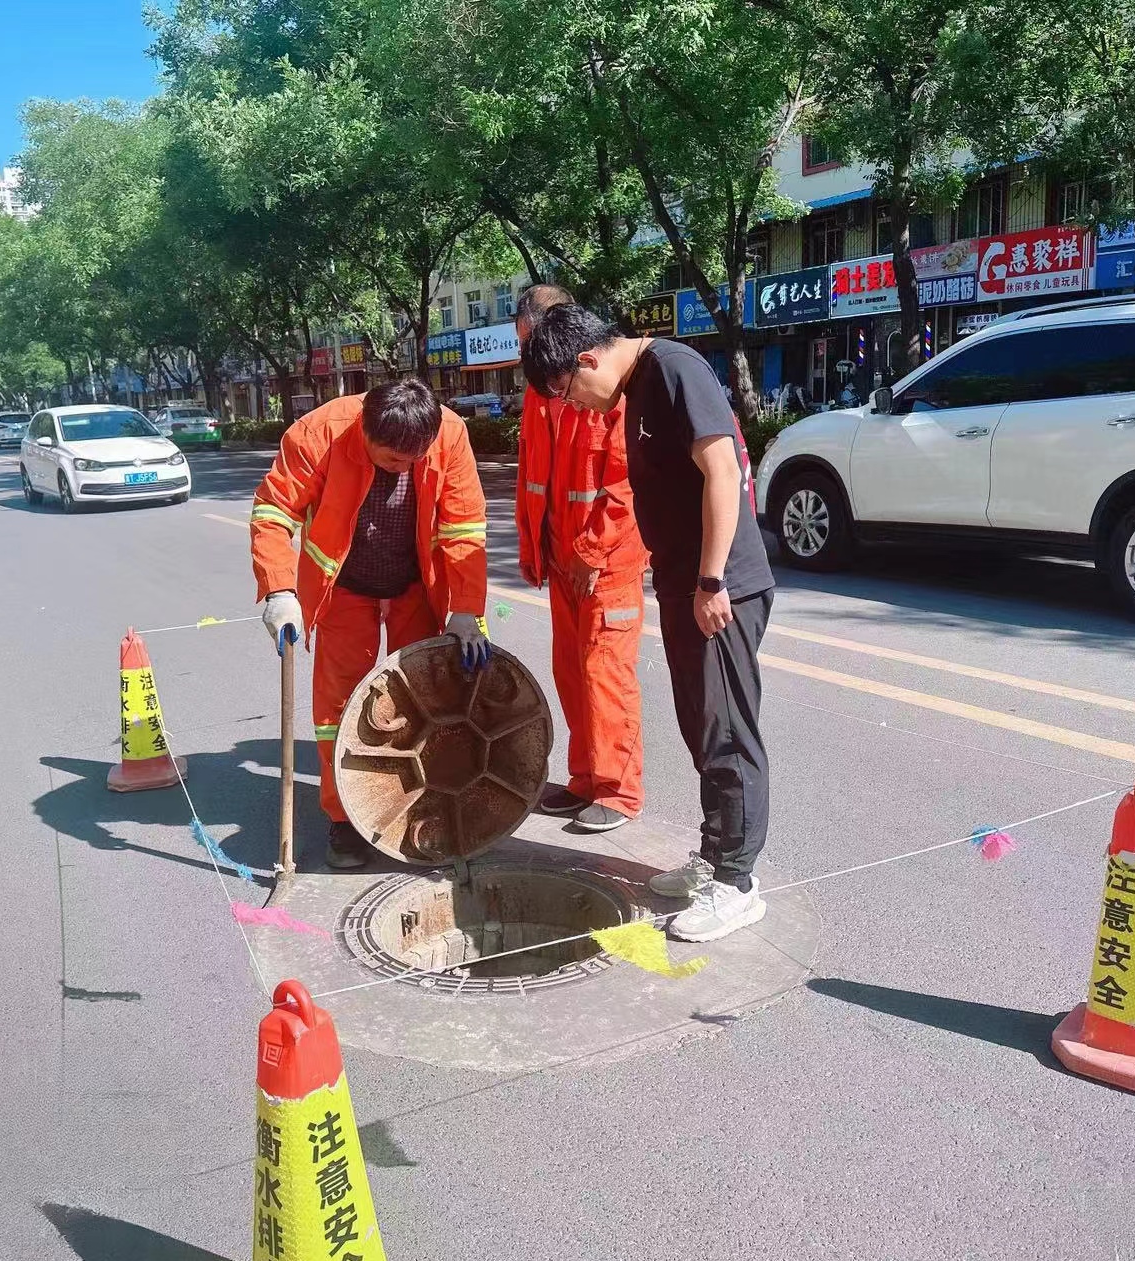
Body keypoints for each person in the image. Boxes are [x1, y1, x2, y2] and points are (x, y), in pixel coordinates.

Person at [521, 305, 775, 942]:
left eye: (569, 391)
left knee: (727, 733)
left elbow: (723, 470)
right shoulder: (639, 385)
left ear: (588, 359)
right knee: (700, 725)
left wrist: (711, 580)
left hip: (721, 588)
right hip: (686, 586)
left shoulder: (673, 369)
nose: (575, 406)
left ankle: (737, 883)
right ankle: (714, 857)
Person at [250, 380, 490, 868]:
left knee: (421, 701)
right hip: (345, 587)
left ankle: (417, 803)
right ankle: (345, 817)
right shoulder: (319, 433)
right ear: (364, 431)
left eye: (414, 460)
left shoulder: (449, 433)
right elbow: (274, 513)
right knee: (338, 709)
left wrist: (466, 609)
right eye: (392, 459)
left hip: (415, 586)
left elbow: (464, 525)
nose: (404, 467)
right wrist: (279, 589)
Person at [514, 284, 648, 833]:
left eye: (533, 342)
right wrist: (533, 546)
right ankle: (585, 778)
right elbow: (532, 476)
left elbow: (626, 485)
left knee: (604, 671)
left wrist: (590, 552)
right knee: (571, 673)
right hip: (562, 560)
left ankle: (618, 790)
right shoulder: (541, 393)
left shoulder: (608, 389)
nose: (529, 356)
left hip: (606, 564)